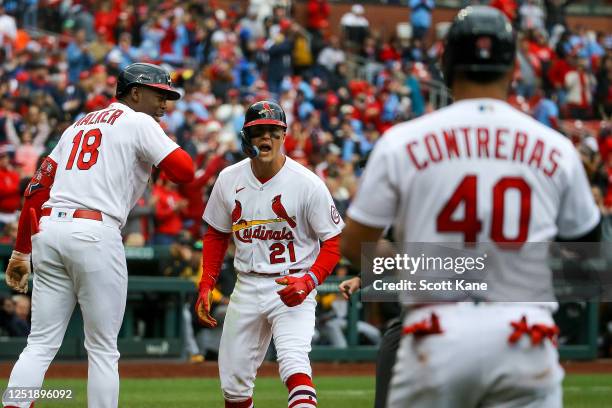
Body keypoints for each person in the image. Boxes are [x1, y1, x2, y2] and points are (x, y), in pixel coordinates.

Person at [341, 6, 601, 408]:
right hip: (523, 330)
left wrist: (423, 264)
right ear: (513, 66)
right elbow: (588, 256)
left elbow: (355, 244)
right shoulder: (556, 147)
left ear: (446, 62)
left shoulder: (403, 141)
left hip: (435, 332)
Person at [2, 62, 194, 408]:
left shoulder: (78, 125)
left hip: (49, 230)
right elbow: (185, 171)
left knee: (40, 343)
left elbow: (36, 189)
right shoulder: (139, 121)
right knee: (103, 349)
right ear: (135, 93)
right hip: (94, 230)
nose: (165, 103)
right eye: (159, 94)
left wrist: (20, 251)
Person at [195, 100, 344, 408]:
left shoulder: (307, 184)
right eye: (258, 131)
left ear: (284, 135)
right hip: (247, 284)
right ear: (245, 137)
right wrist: (207, 282)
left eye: (273, 132)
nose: (266, 138)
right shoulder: (229, 178)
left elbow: (333, 243)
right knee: (233, 385)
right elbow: (217, 233)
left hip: (292, 283)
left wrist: (308, 281)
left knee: (293, 362)